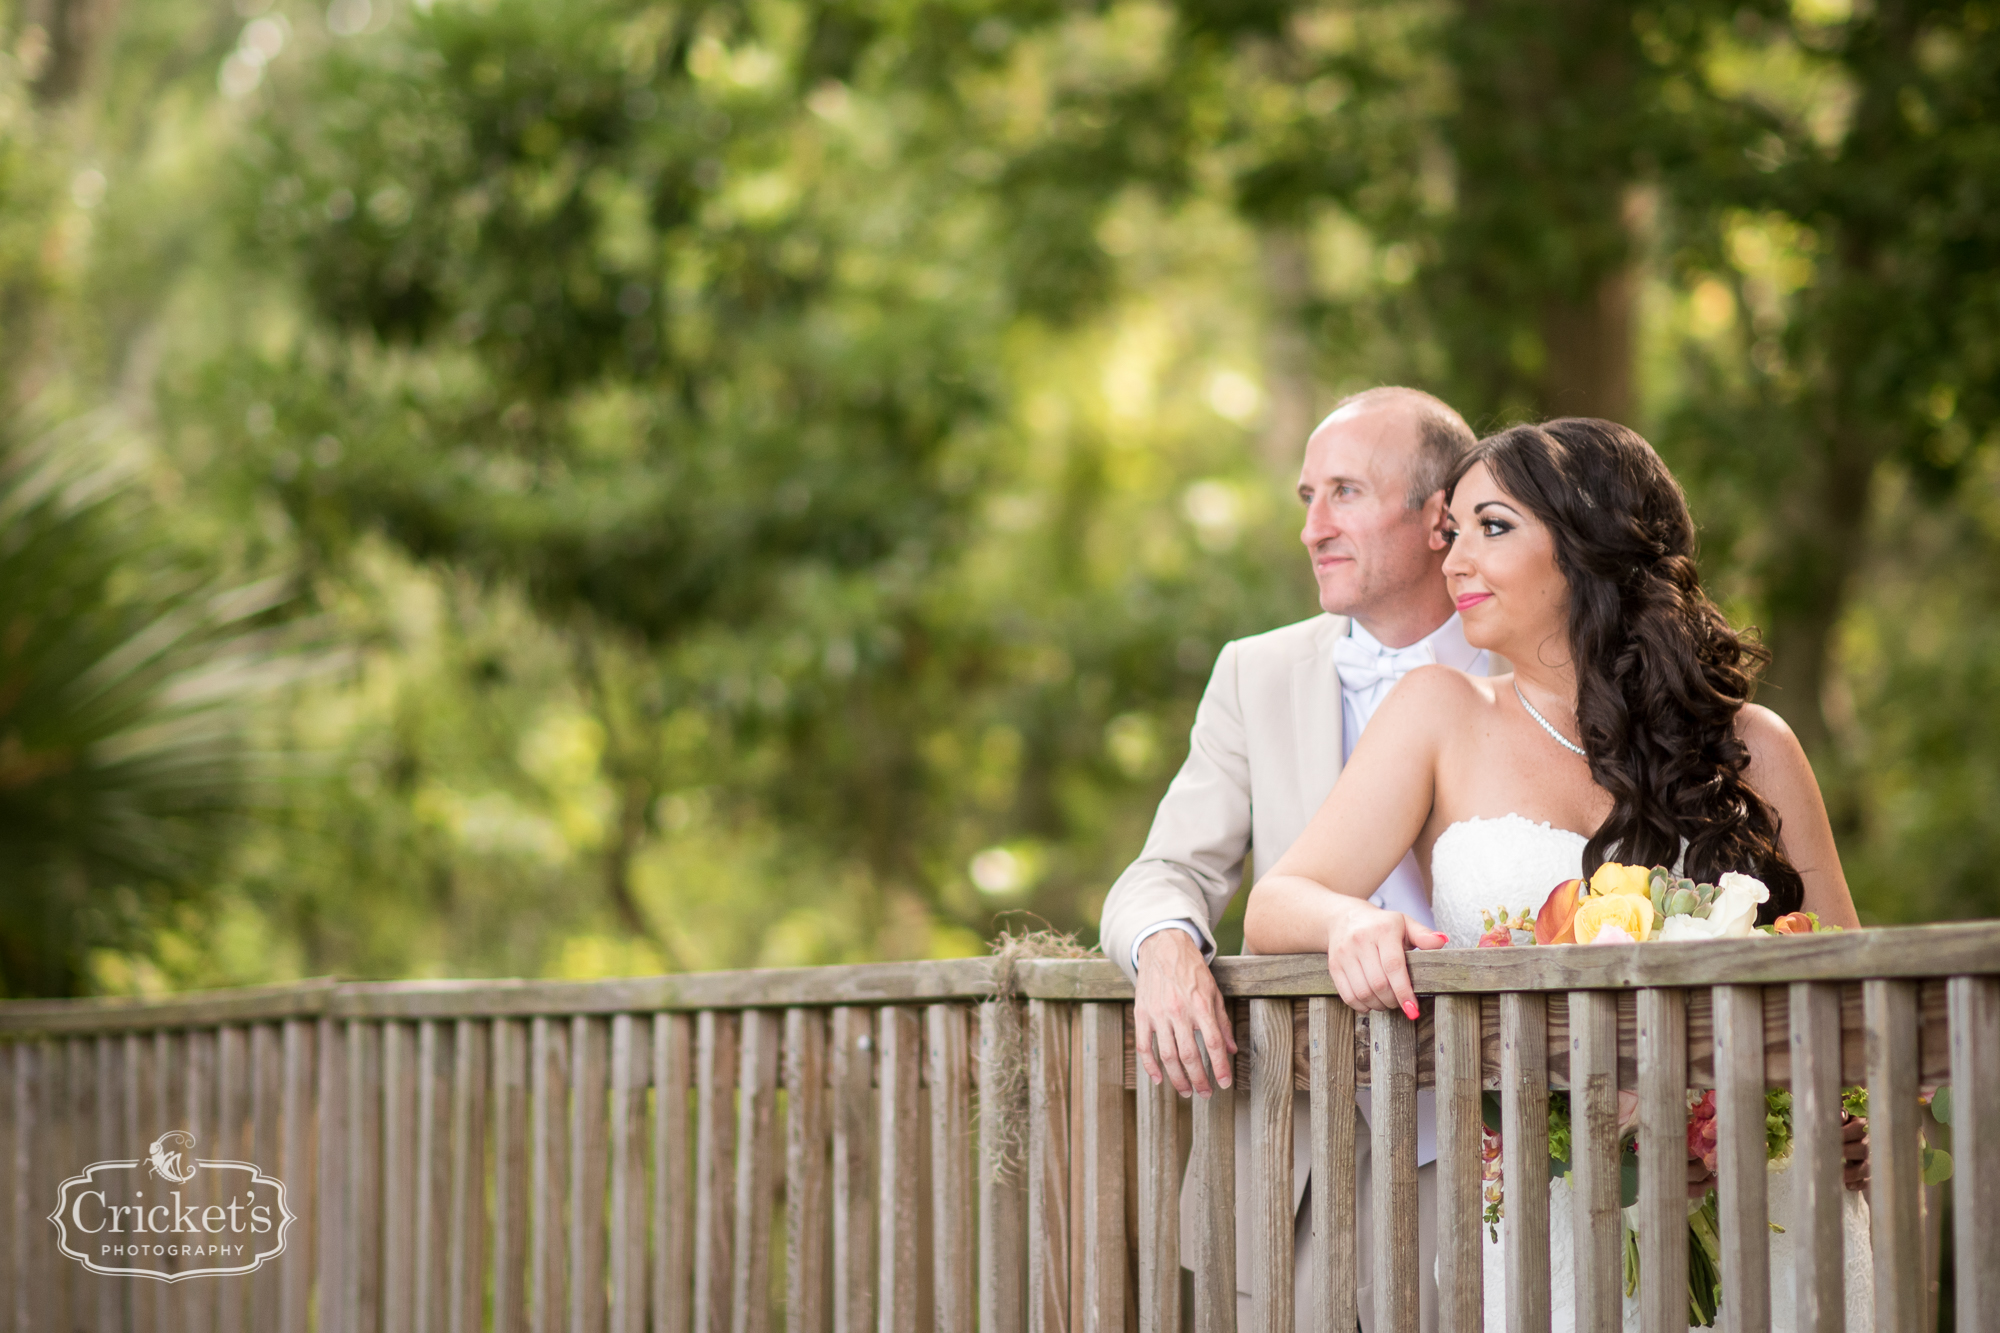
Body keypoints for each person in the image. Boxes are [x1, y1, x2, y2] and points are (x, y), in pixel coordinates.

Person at [1244, 418, 1872, 1331]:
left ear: (1590, 545)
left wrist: (1844, 1122)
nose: (1455, 559)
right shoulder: (1439, 714)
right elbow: (1275, 901)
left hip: (1769, 1202)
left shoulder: (1752, 745)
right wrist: (1351, 923)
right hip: (1556, 1220)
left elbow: (1848, 980)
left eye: (1492, 527)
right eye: (1452, 531)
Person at [1099, 385, 1489, 1333]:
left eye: (1344, 493)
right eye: (1305, 497)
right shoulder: (1254, 672)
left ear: (1439, 516)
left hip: (1491, 1148)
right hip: (1291, 1160)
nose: (1312, 527)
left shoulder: (1535, 663)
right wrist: (1163, 947)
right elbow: (1164, 870)